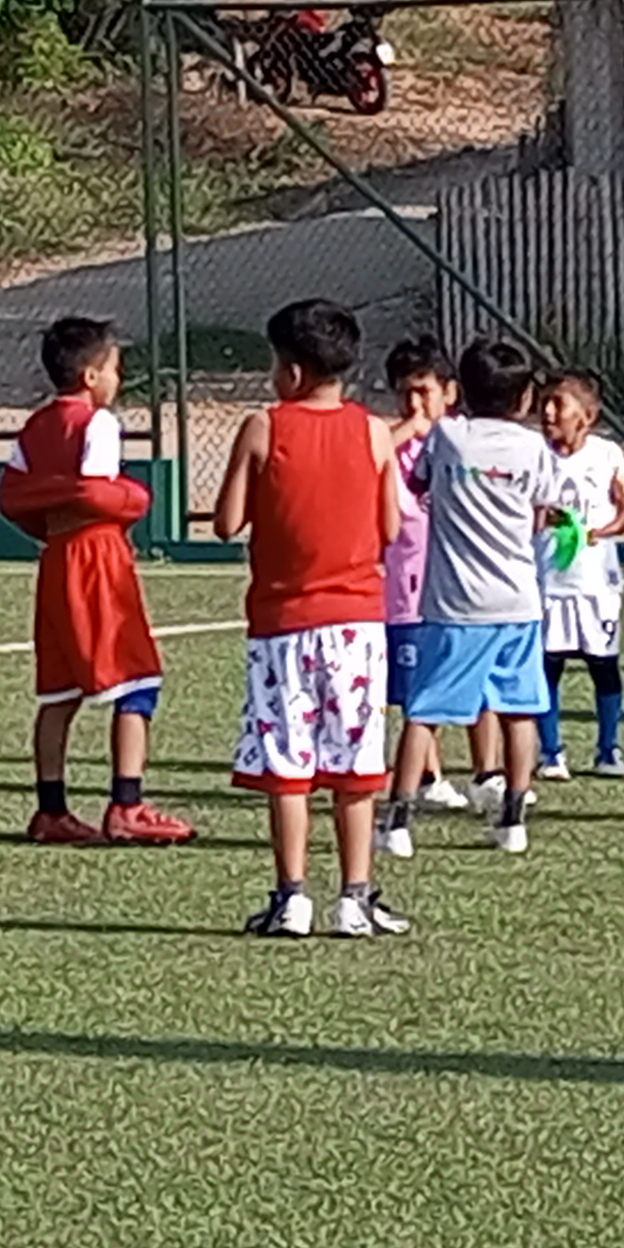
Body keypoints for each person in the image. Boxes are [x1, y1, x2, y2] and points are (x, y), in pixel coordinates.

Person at [210, 297, 406, 939]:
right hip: (357, 624)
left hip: (283, 625)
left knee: (287, 764)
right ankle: (355, 897)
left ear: (291, 371)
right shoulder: (374, 433)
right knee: (357, 764)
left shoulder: (262, 428)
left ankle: (292, 896)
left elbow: (226, 521)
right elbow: (389, 526)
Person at [0, 316, 191, 848]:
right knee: (137, 680)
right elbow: (95, 493)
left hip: (56, 556)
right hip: (95, 557)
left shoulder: (36, 426)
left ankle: (51, 810)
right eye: (114, 369)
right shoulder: (98, 423)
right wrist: (137, 498)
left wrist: (48, 512)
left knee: (59, 691)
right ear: (90, 376)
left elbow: (11, 496)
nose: (117, 379)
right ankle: (127, 804)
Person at [406, 334, 569, 856]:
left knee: (425, 710)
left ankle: (397, 822)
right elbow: (546, 510)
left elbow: (417, 484)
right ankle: (513, 819)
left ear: (462, 391)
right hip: (517, 599)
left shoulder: (448, 436)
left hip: (453, 602)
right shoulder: (533, 448)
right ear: (523, 398)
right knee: (519, 709)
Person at [374, 335, 459, 859]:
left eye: (423, 392)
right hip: (404, 588)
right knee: (412, 695)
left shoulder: (458, 445)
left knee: (432, 688)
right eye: (405, 393)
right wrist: (407, 430)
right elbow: (368, 458)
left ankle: (434, 774)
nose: (414, 404)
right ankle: (422, 780)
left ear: (448, 393)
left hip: (449, 586)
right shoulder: (393, 442)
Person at [535, 369, 624, 779]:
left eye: (558, 403)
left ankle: (608, 749)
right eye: (544, 402)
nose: (547, 412)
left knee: (603, 665)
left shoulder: (607, 455)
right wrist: (543, 517)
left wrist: (600, 532)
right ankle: (550, 753)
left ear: (587, 416)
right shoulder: (534, 455)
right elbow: (524, 511)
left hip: (596, 584)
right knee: (547, 667)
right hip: (547, 583)